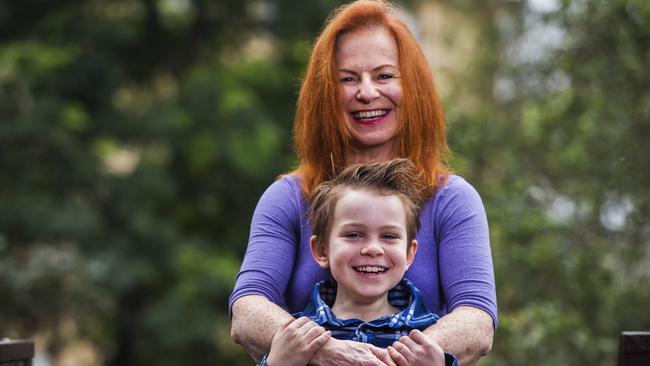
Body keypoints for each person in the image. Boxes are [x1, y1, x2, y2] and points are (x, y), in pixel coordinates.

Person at [229, 1, 497, 365]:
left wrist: (384, 360)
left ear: (412, 86)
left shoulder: (452, 200)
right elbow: (247, 309)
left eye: (385, 76)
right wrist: (327, 352)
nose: (367, 93)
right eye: (348, 79)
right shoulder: (288, 198)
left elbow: (477, 321)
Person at [260, 159, 458, 366]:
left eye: (389, 236)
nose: (373, 249)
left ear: (409, 254)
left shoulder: (427, 342)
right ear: (321, 250)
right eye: (354, 234)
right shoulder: (296, 338)